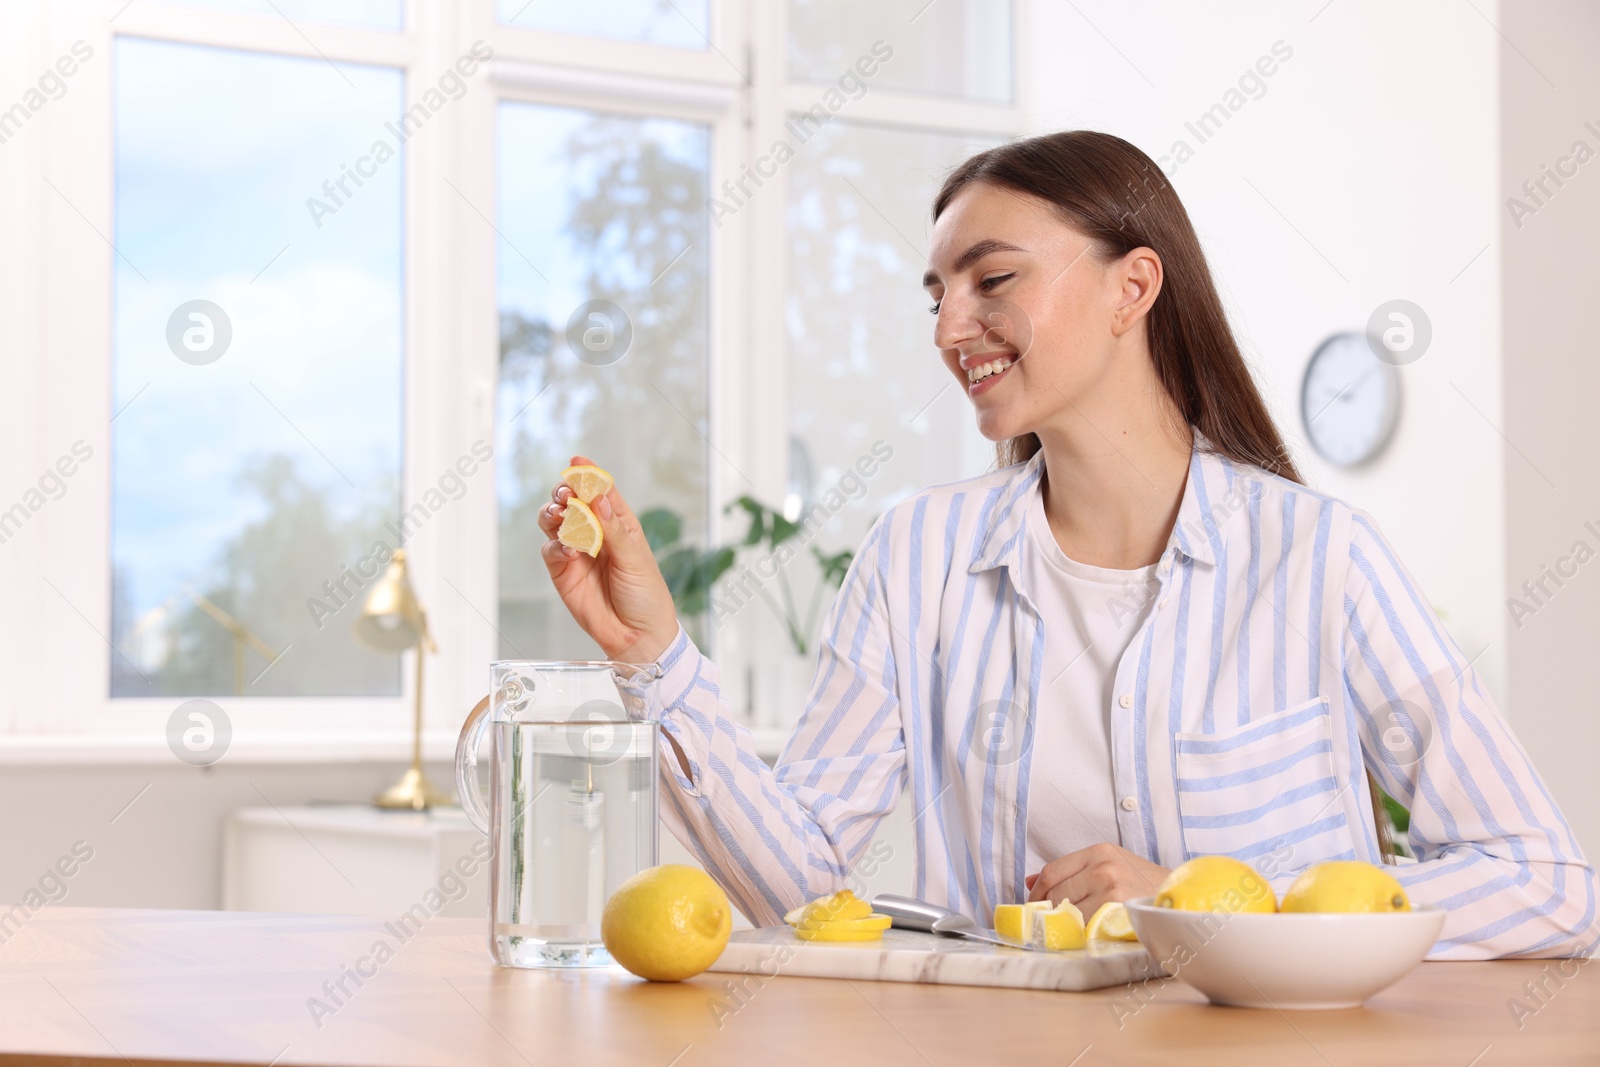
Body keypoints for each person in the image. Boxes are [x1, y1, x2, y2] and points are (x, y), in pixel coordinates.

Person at [536, 130, 1595, 960]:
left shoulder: (1320, 559)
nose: (951, 327)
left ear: (1133, 287)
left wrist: (1226, 912)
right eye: (938, 292)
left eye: (992, 280)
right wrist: (654, 660)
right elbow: (801, 892)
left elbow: (1544, 876)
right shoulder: (917, 557)